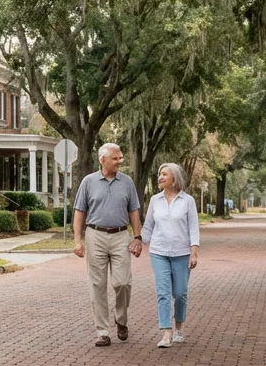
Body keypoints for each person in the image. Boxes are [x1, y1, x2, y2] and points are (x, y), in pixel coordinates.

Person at [73, 143, 143, 347]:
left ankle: (121, 320)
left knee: (123, 282)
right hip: (95, 235)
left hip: (121, 235)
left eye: (120, 158)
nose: (120, 161)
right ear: (102, 160)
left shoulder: (127, 182)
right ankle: (102, 331)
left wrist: (137, 237)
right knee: (97, 285)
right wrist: (78, 241)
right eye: (115, 158)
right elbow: (79, 212)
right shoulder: (88, 182)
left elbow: (134, 211)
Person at [140, 163, 200, 348]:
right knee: (163, 293)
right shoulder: (155, 200)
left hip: (181, 253)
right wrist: (137, 241)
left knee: (180, 293)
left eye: (164, 174)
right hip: (159, 252)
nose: (160, 177)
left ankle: (179, 328)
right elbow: (148, 226)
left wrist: (194, 252)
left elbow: (193, 227)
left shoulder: (187, 200)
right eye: (159, 174)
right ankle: (166, 333)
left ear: (174, 178)